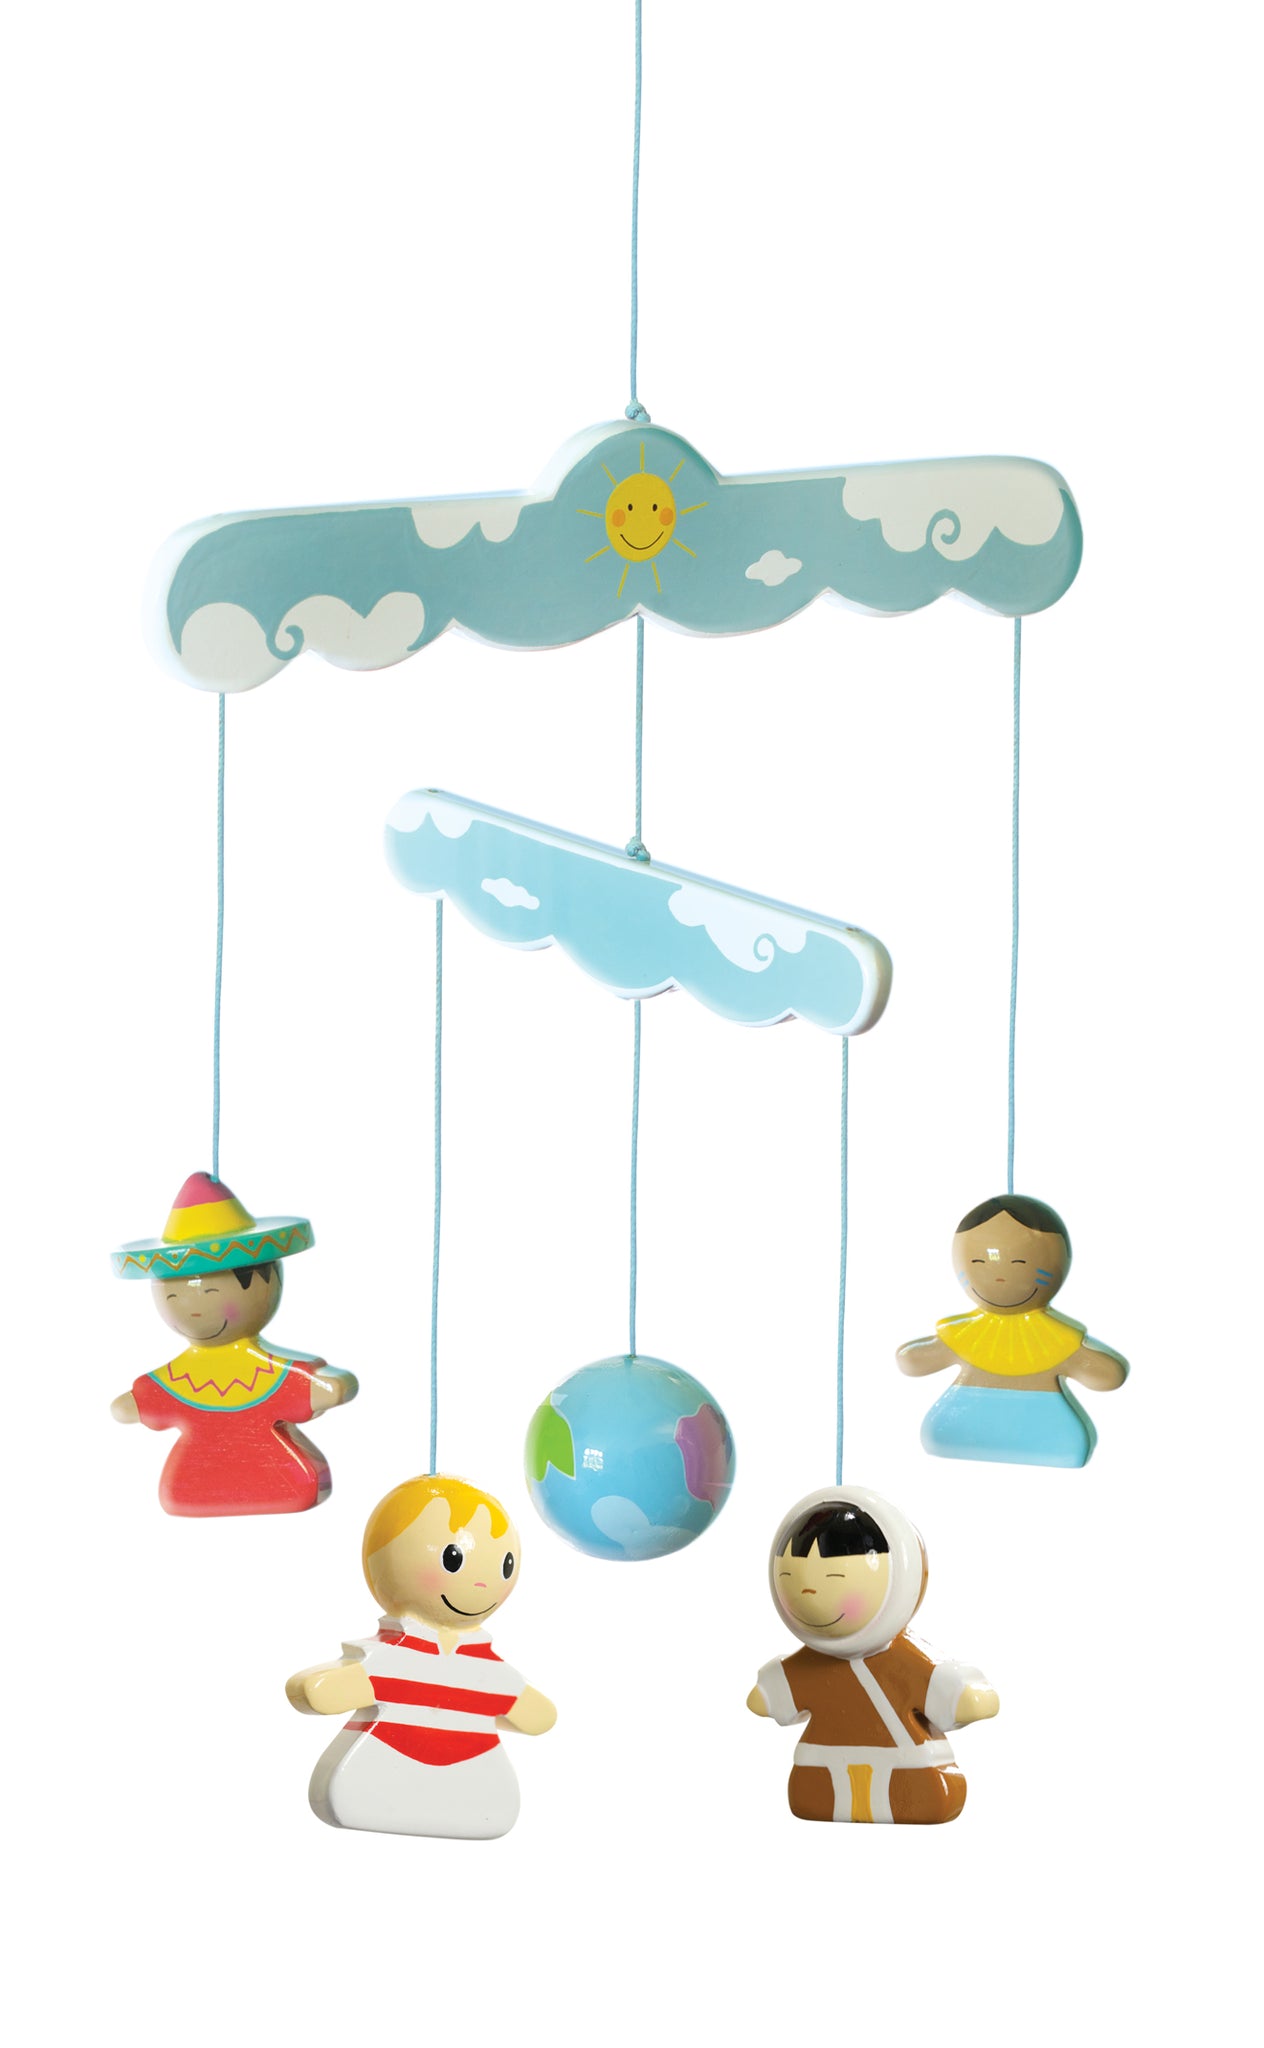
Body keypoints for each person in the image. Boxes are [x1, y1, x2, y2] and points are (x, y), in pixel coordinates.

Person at [288, 1474, 556, 1839]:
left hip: (476, 1788)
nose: (480, 1583)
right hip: (381, 1775)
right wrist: (323, 1687)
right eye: (452, 1559)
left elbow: (539, 1717)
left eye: (505, 1565)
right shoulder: (393, 1658)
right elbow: (321, 1692)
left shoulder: (488, 1670)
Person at [747, 1486, 997, 1824]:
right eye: (790, 1578)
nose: (809, 1593)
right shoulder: (810, 1663)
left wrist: (963, 1697)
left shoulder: (903, 1659)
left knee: (910, 1792)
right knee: (820, 1790)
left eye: (834, 1577)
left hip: (902, 1763)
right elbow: (779, 1691)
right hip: (824, 1761)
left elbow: (939, 1685)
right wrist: (769, 1694)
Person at [111, 1171, 355, 1514]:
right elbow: (147, 1400)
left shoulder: (268, 1370)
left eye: (210, 1291)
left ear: (268, 1282)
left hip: (279, 1478)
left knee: (287, 1479)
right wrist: (135, 1403)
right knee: (190, 1486)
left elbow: (312, 1386)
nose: (194, 1309)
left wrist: (326, 1385)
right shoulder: (180, 1376)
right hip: (195, 1482)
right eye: (174, 1296)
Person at [896, 1194, 1127, 1467]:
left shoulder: (1057, 1338)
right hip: (956, 1432)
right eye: (978, 1263)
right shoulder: (963, 1334)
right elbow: (913, 1362)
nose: (999, 1276)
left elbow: (1107, 1376)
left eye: (1019, 1263)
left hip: (1050, 1438)